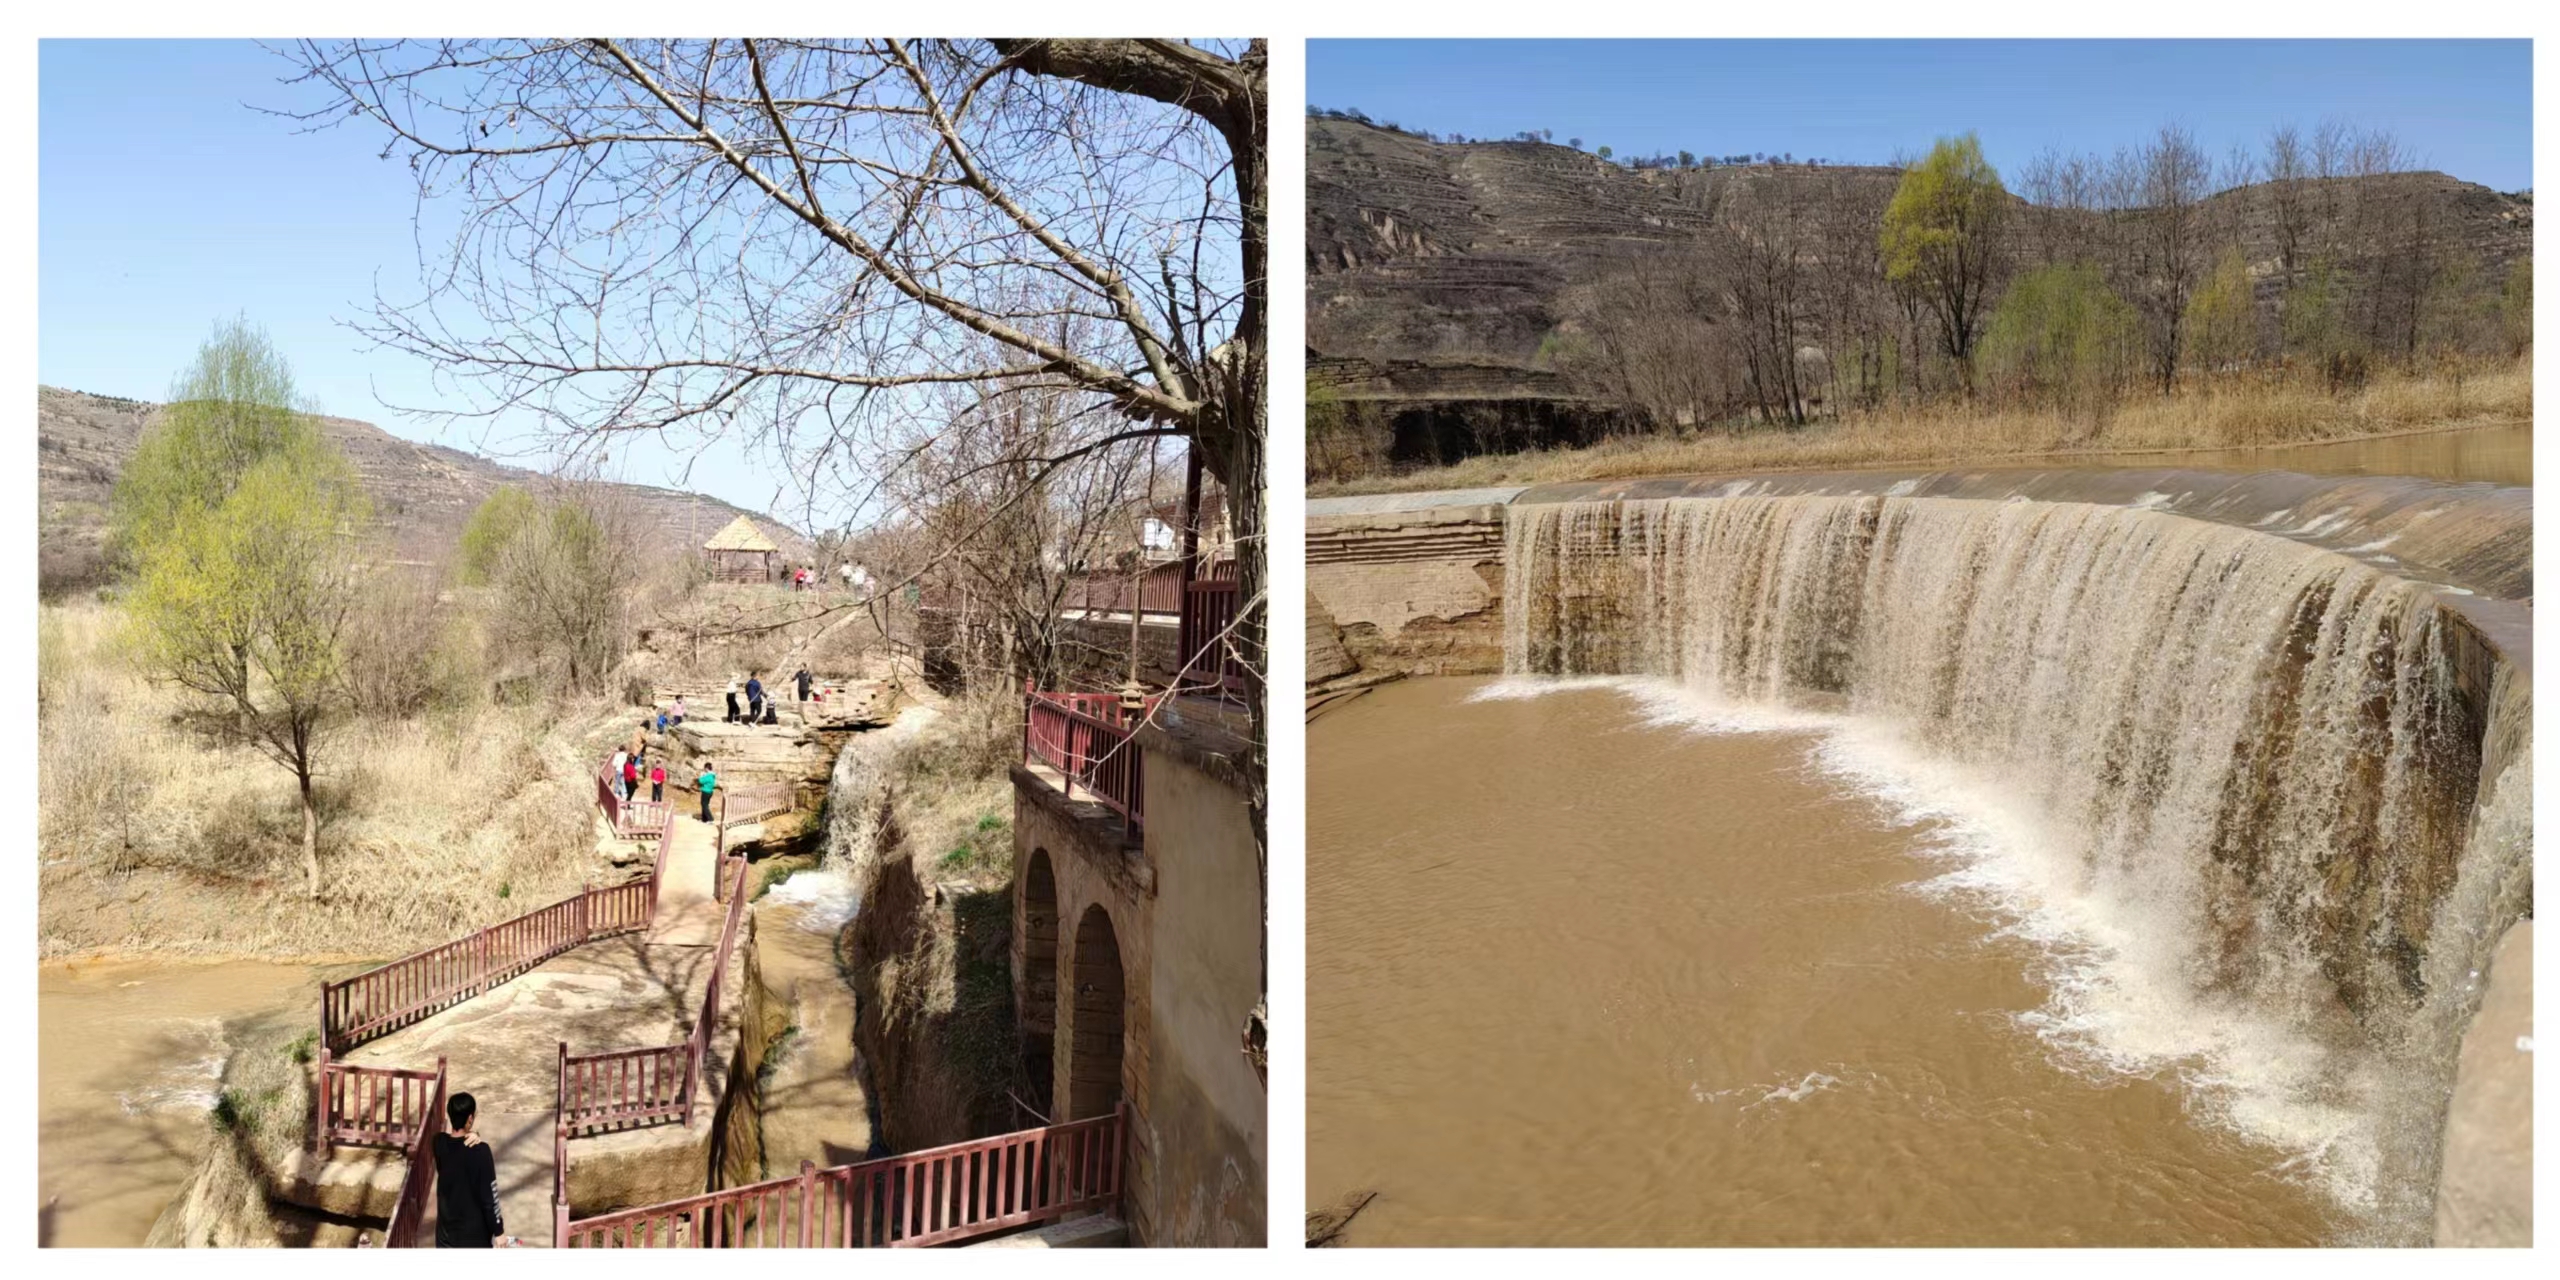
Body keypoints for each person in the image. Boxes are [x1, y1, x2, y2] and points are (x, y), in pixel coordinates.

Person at [431, 1091, 504, 1248]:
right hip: (474, 1238)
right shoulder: (481, 1152)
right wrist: (499, 1231)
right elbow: (489, 1197)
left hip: (444, 1237)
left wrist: (472, 1133)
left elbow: (451, 1142)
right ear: (470, 1118)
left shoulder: (438, 1143)